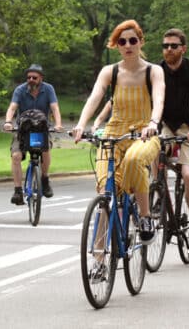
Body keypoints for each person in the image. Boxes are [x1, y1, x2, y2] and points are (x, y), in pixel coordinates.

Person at [71, 19, 164, 245]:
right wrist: (82, 124)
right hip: (114, 134)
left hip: (144, 133)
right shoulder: (109, 72)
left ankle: (144, 217)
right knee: (106, 193)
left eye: (133, 40)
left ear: (141, 42)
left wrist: (153, 122)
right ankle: (100, 258)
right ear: (117, 45)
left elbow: (159, 99)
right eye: (122, 41)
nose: (128, 45)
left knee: (134, 160)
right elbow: (95, 97)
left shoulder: (154, 71)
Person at [159, 28, 189, 253]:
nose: (169, 49)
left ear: (183, 49)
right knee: (150, 155)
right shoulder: (156, 71)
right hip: (166, 126)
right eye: (165, 45)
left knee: (188, 174)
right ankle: (157, 194)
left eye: (174, 46)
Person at [2, 64, 63, 205]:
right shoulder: (20, 90)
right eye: (28, 77)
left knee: (46, 150)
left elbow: (55, 107)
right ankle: (18, 190)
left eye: (34, 77)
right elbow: (12, 107)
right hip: (23, 129)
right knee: (16, 156)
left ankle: (45, 179)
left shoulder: (48, 89)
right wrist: (8, 122)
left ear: (41, 78)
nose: (31, 80)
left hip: (42, 129)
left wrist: (58, 124)